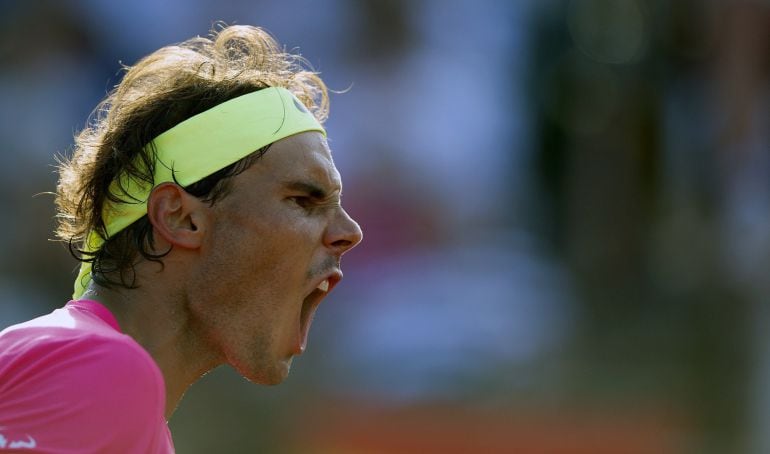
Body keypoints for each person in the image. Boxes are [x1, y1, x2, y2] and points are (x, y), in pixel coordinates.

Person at [0, 24, 362, 452]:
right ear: (179, 217)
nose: (350, 233)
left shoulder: (94, 376)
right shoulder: (100, 367)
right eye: (304, 200)